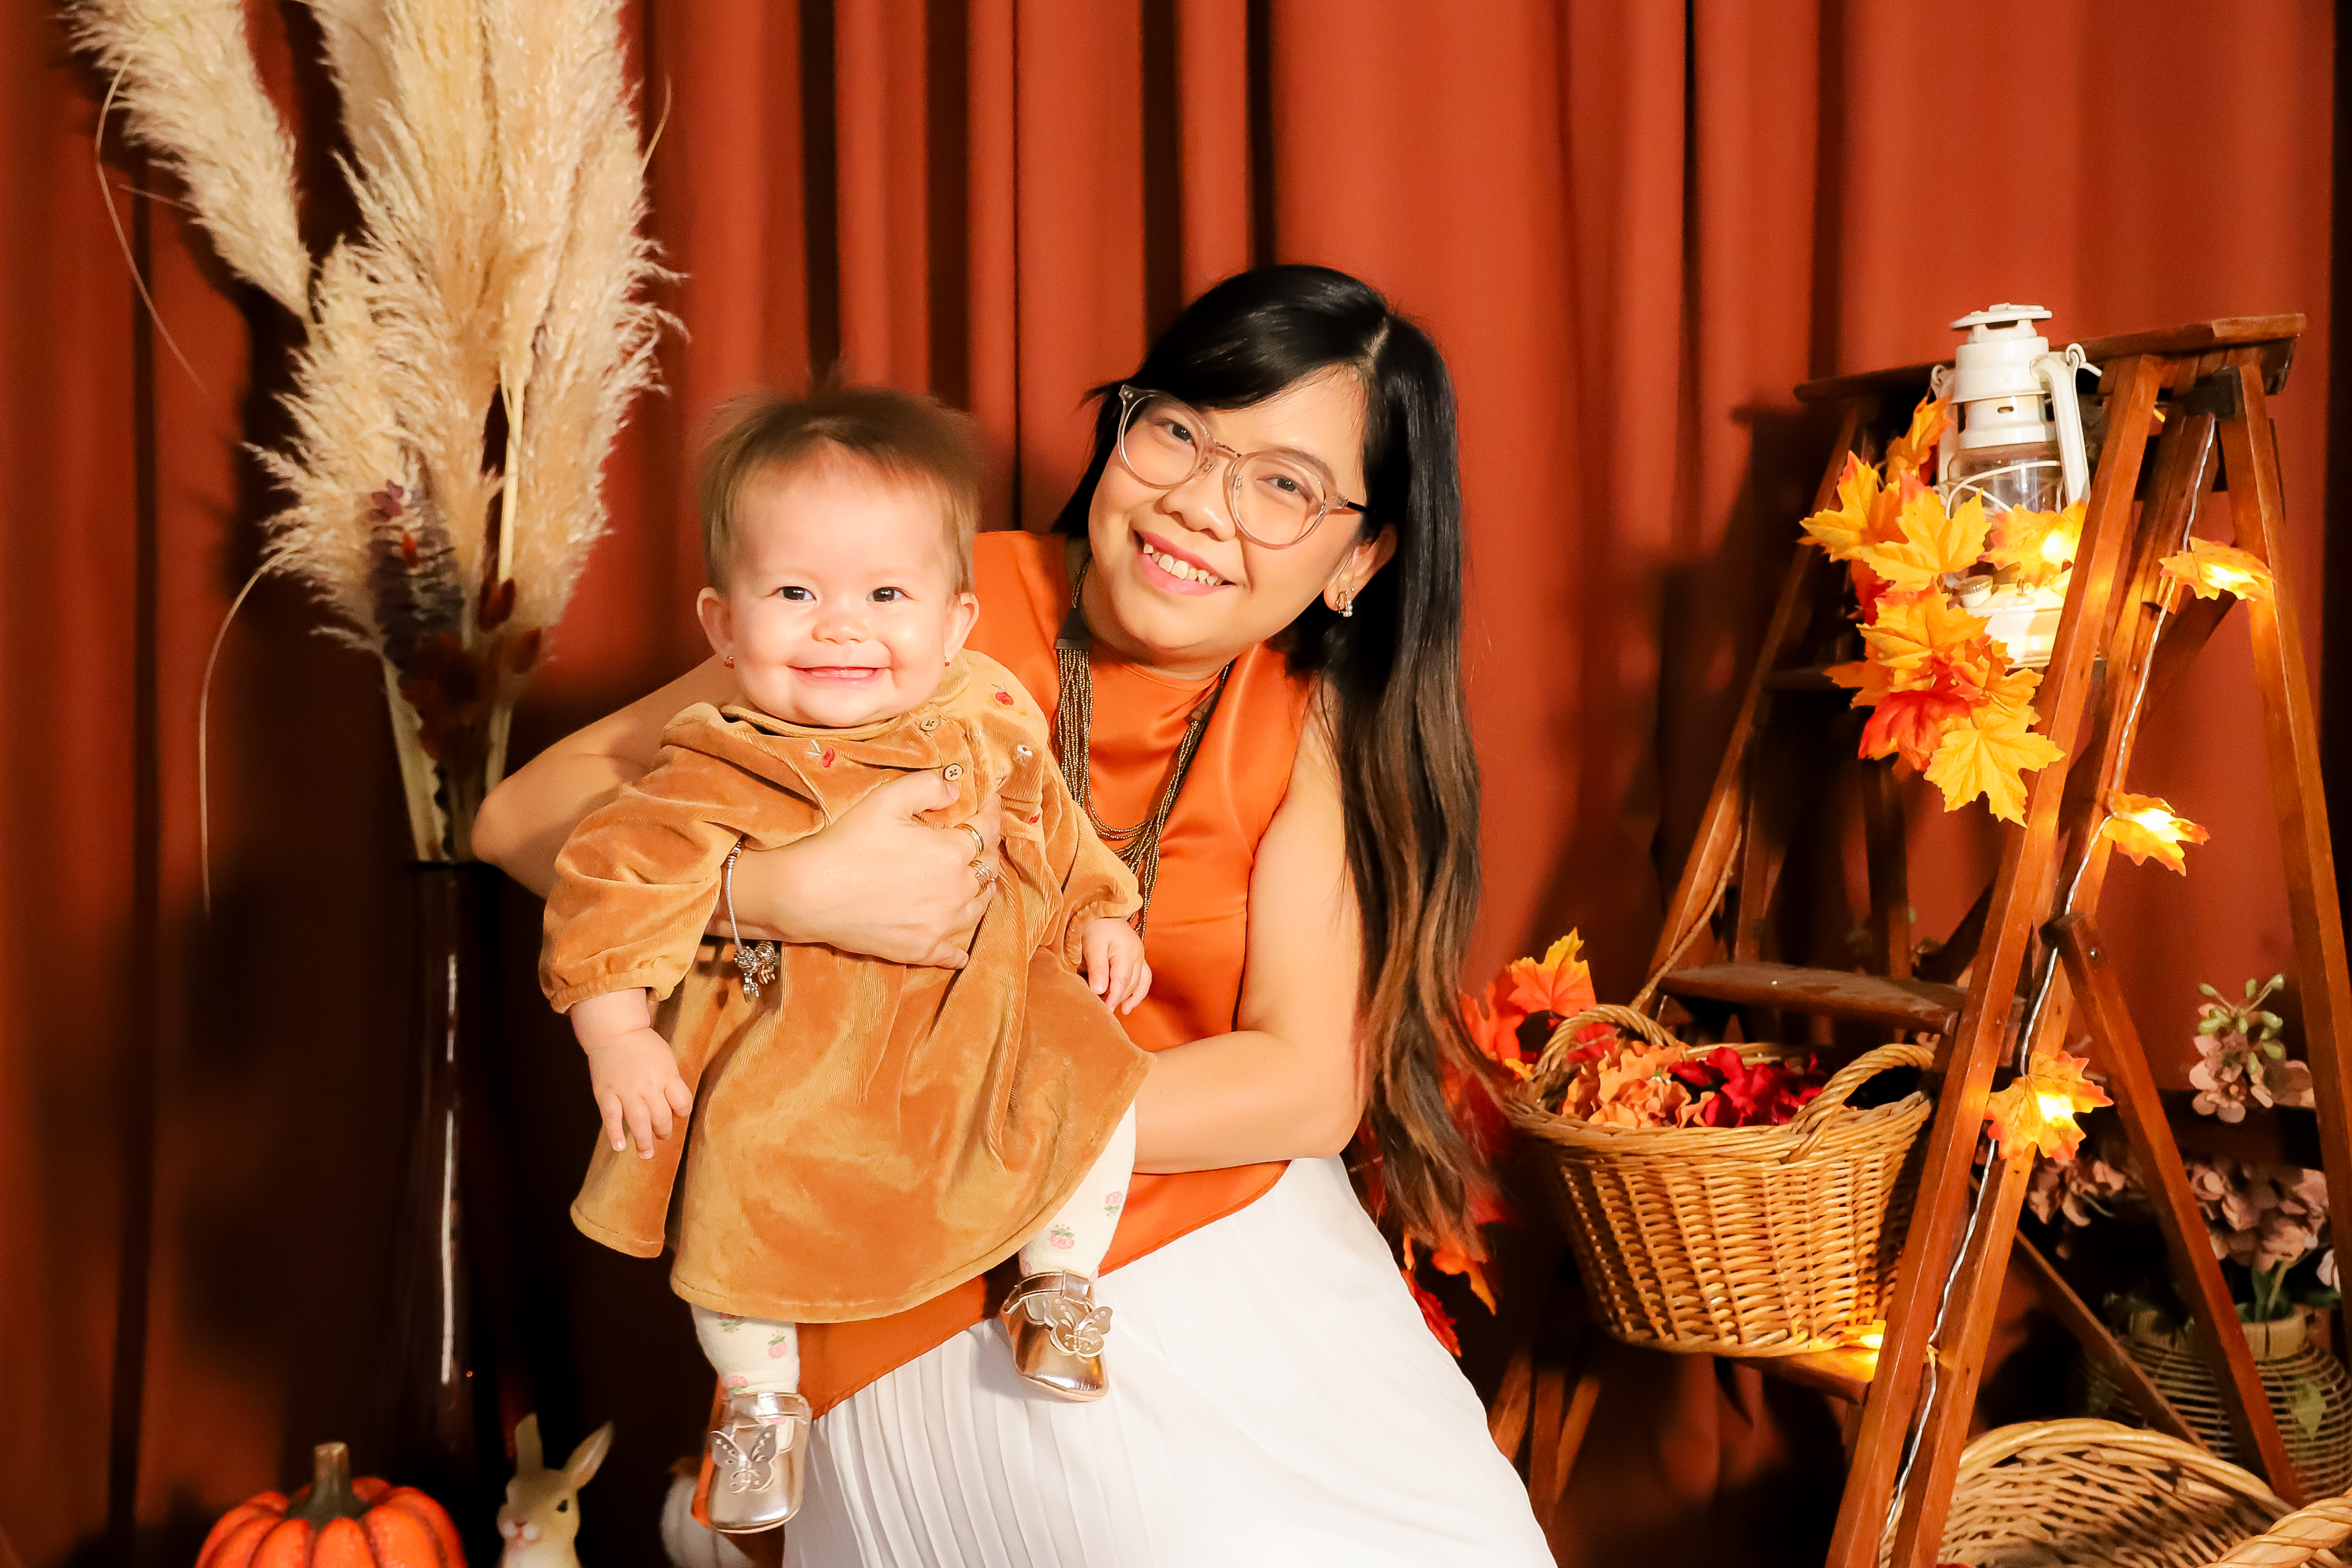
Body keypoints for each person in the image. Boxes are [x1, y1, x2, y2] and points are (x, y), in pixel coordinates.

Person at [475, 264, 1553, 1565]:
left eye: (1284, 485)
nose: (1202, 505)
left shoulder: (1311, 722)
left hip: (1191, 1219)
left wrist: (975, 1112)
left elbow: (1304, 1090)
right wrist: (768, 895)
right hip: (906, 1266)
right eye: (1180, 432)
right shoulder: (911, 604)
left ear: (1358, 559)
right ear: (1122, 431)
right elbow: (521, 820)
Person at [538, 386, 1160, 1532]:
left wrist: (1098, 917)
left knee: (1098, 1072)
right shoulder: (718, 760)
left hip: (975, 1018)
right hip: (792, 1046)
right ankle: (760, 1395)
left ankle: (1060, 1280)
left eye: (885, 595)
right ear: (722, 628)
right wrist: (616, 1032)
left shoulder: (986, 717)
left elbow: (1054, 826)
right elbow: (607, 884)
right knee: (737, 1177)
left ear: (955, 622)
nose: (841, 627)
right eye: (794, 595)